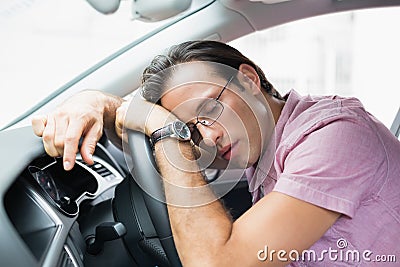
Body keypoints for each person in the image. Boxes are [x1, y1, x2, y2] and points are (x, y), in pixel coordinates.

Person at [32, 40, 400, 266]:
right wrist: (92, 102)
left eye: (208, 111)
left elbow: (217, 264)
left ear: (249, 80)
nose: (206, 138)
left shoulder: (333, 136)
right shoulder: (261, 145)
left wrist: (168, 133)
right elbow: (127, 119)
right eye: (191, 130)